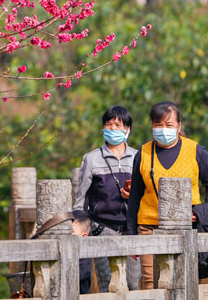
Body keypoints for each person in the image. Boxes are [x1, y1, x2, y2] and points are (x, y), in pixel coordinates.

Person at [126, 101, 208, 290]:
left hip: (186, 227)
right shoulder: (143, 153)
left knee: (183, 281)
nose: (163, 129)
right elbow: (135, 196)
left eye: (169, 125)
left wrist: (204, 211)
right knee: (150, 283)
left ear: (179, 126)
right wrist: (131, 235)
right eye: (158, 125)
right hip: (148, 227)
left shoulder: (196, 151)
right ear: (152, 125)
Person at [73, 106, 140, 292]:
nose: (112, 129)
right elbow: (81, 198)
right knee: (108, 284)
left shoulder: (138, 157)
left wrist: (133, 195)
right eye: (108, 125)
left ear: (127, 130)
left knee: (133, 283)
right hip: (103, 229)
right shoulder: (92, 159)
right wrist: (80, 224)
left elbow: (146, 194)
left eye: (117, 125)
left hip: (131, 229)